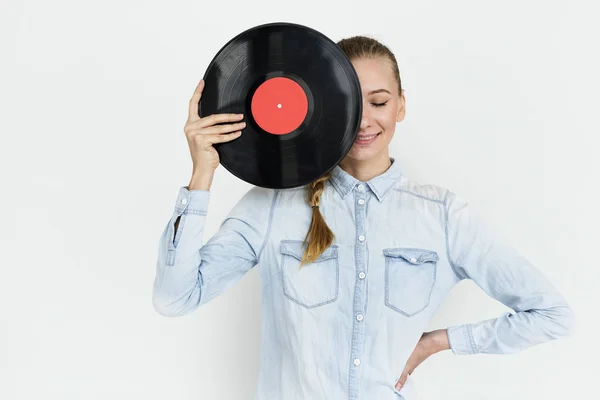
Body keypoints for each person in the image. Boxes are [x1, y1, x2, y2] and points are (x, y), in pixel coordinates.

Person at [152, 35, 575, 399]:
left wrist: (435, 343)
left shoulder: (444, 217)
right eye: (349, 103)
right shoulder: (273, 205)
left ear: (401, 106)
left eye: (379, 101)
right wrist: (202, 173)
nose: (365, 120)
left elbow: (550, 315)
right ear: (322, 108)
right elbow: (175, 298)